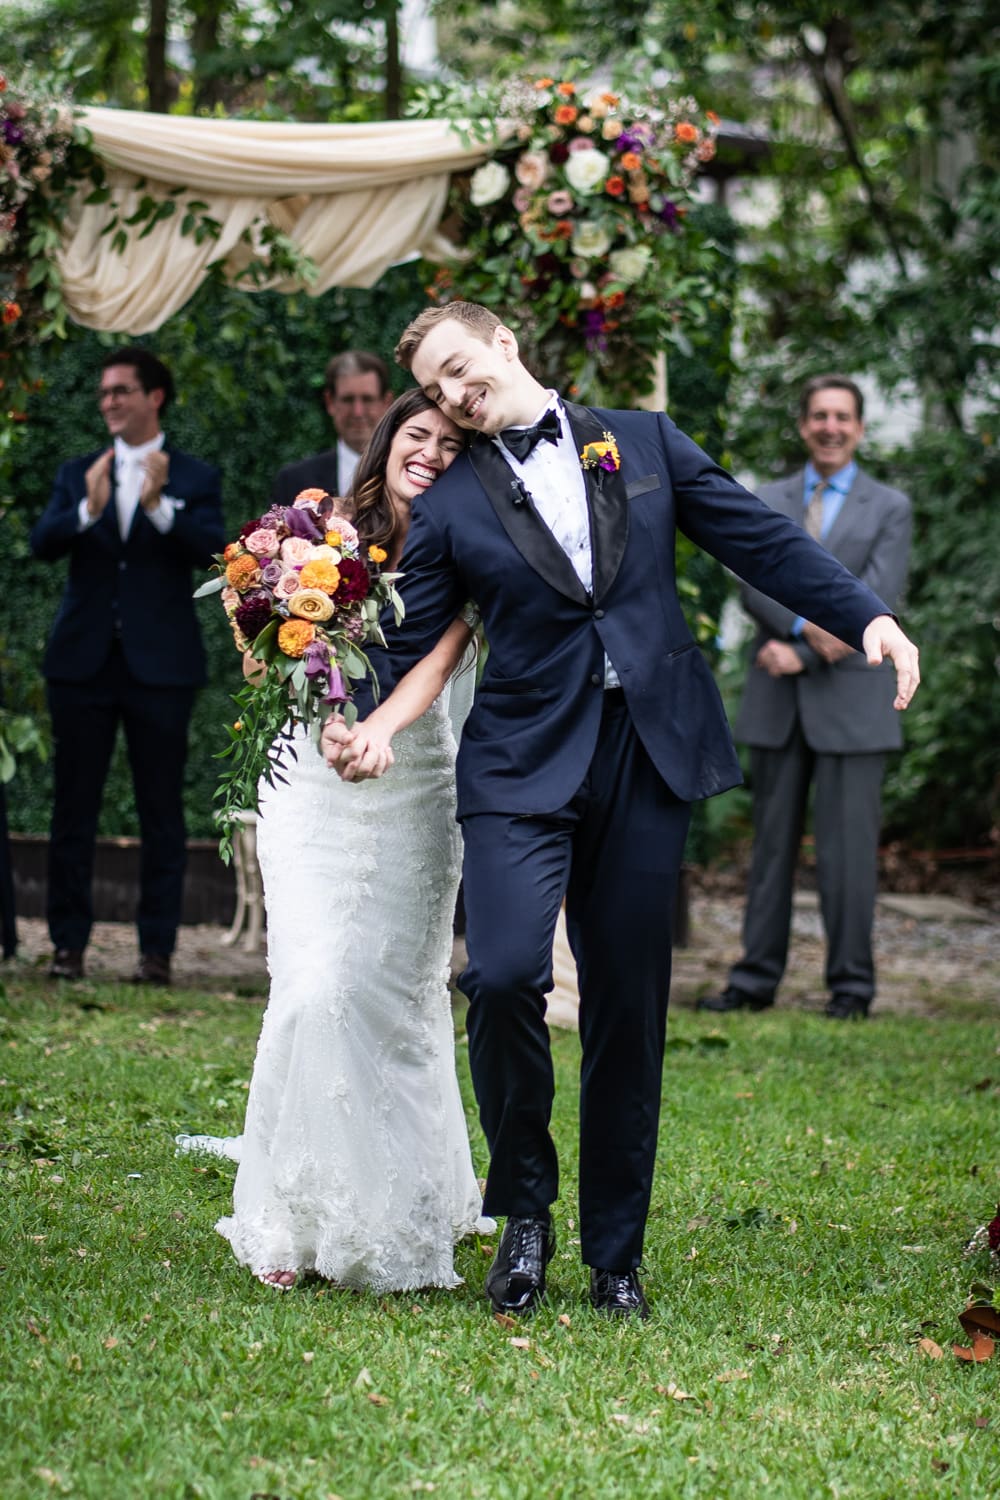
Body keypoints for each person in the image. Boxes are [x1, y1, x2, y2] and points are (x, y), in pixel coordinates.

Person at [323, 302, 920, 1321]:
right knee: (504, 974)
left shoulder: (638, 441)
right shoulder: (458, 499)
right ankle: (522, 1215)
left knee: (628, 1005)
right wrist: (321, 669)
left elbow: (757, 538)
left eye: (465, 370)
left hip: (647, 753)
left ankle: (614, 1254)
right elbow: (401, 630)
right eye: (439, 389)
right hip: (518, 764)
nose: (460, 396)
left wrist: (864, 616)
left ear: (505, 341)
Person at [210, 390, 493, 1292]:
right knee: (312, 986)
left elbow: (443, 657)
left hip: (411, 785)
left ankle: (401, 1208)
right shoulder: (320, 529)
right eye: (419, 435)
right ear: (388, 442)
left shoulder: (478, 548)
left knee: (391, 998)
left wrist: (375, 732)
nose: (433, 453)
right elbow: (263, 660)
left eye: (454, 444)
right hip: (308, 787)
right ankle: (291, 1218)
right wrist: (260, 610)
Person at [699, 377, 912, 1022]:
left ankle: (851, 986)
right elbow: (751, 580)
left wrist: (806, 646)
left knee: (848, 856)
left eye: (842, 417)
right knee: (769, 851)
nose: (829, 426)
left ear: (860, 428)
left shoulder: (890, 507)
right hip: (778, 699)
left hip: (854, 701)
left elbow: (883, 590)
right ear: (802, 425)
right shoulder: (768, 497)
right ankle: (755, 978)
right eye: (818, 415)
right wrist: (796, 629)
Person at [30, 348, 224, 986]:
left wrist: (160, 506)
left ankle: (157, 953)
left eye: (121, 390)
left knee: (161, 813)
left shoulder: (192, 475)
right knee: (72, 811)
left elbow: (214, 554)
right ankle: (67, 948)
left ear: (154, 397)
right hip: (81, 665)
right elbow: (42, 543)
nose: (109, 401)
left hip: (160, 668)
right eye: (104, 392)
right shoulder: (77, 472)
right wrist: (86, 508)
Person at [270, 350, 394, 505]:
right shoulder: (293, 481)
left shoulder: (407, 477)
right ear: (330, 402)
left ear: (387, 403)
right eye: (348, 400)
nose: (358, 412)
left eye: (367, 399)